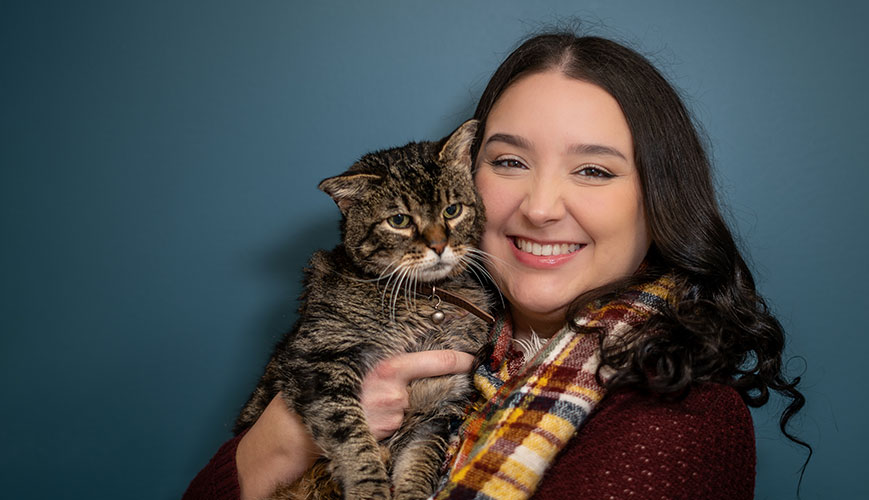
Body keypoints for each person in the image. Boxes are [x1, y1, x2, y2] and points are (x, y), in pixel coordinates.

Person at [185, 31, 807, 500]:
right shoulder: (477, 350)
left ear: (658, 200)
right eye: (509, 162)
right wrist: (281, 440)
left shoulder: (682, 420)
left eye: (593, 169)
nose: (539, 208)